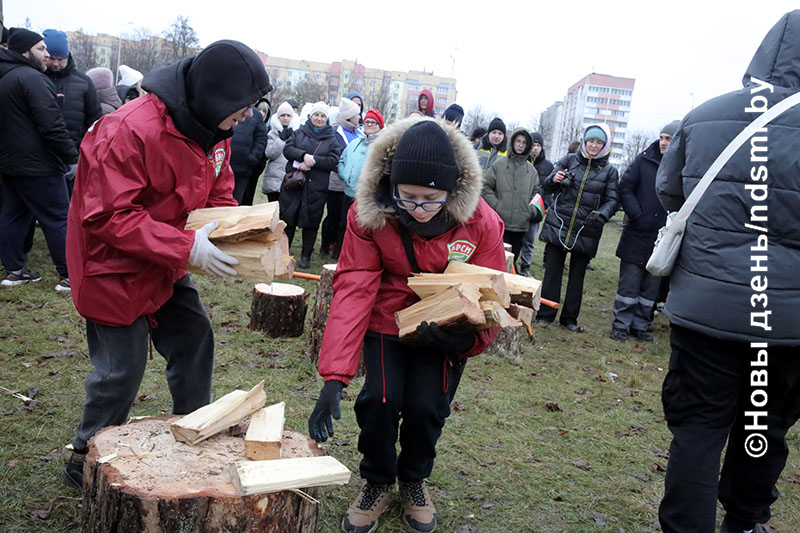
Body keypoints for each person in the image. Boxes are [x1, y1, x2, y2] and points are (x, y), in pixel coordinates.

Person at [61, 39, 271, 489]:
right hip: (112, 268)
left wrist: (234, 234)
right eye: (244, 106)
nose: (249, 116)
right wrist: (187, 248)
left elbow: (217, 194)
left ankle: (193, 428)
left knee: (194, 337)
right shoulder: (126, 130)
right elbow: (107, 216)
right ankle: (87, 452)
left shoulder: (215, 133)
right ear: (213, 95)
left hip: (167, 261)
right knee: (122, 369)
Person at [307, 118, 506, 533]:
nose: (417, 208)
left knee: (427, 407)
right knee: (379, 400)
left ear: (451, 191)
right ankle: (377, 481)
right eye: (408, 196)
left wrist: (464, 335)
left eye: (430, 199)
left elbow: (490, 297)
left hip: (447, 326)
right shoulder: (370, 215)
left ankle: (414, 479)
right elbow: (354, 288)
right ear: (391, 184)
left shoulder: (481, 223)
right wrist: (334, 378)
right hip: (388, 318)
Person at [655, 11, 800, 533]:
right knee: (765, 426)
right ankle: (745, 521)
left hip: (707, 308)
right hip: (787, 320)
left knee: (697, 429)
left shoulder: (705, 115)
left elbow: (672, 195)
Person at [0, 28, 77, 291]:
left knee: (13, 215)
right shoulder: (32, 79)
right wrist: (71, 156)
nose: (47, 55)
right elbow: (52, 125)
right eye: (41, 49)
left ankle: (14, 270)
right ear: (24, 51)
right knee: (58, 218)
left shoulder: (5, 77)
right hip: (40, 165)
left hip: (10, 163)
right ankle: (70, 276)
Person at [536, 124, 618, 331]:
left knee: (577, 276)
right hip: (559, 224)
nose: (593, 145)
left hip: (586, 228)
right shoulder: (568, 160)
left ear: (605, 145)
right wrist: (555, 178)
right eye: (591, 141)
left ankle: (569, 319)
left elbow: (613, 200)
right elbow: (547, 185)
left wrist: (603, 214)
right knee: (552, 273)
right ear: (584, 141)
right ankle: (545, 313)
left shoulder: (610, 171)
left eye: (599, 142)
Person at [610, 121, 678, 342]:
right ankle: (621, 324)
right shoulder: (643, 160)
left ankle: (641, 324)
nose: (664, 142)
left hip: (663, 237)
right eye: (662, 137)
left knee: (651, 285)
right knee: (629, 283)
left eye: (669, 138)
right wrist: (636, 214)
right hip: (637, 231)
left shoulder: (681, 167)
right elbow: (625, 188)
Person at [280, 101, 341, 269]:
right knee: (288, 219)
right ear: (311, 116)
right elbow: (288, 150)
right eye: (316, 115)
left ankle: (306, 256)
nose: (319, 118)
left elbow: (334, 160)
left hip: (316, 188)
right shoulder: (299, 133)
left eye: (322, 116)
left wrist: (314, 161)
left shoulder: (331, 138)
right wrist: (303, 155)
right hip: (294, 185)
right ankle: (284, 253)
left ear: (326, 119)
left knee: (311, 222)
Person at [43, 29, 102, 195]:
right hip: (42, 156)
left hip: (75, 155)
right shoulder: (36, 78)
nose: (55, 63)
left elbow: (95, 120)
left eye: (60, 59)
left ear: (67, 56)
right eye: (51, 58)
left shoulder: (84, 82)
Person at [481, 128, 541, 268]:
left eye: (524, 142)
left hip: (521, 225)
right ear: (512, 143)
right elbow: (485, 187)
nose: (521, 145)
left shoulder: (531, 171)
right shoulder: (499, 165)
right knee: (496, 259)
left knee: (512, 261)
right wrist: (496, 206)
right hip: (501, 222)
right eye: (518, 141)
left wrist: (530, 210)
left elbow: (536, 193)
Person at [336, 108, 384, 251]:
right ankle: (340, 254)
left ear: (380, 126)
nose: (369, 125)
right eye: (367, 121)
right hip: (350, 192)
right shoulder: (355, 143)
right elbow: (341, 161)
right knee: (344, 224)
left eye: (373, 122)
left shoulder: (383, 146)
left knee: (363, 229)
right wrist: (346, 175)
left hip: (369, 197)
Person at [321, 97, 362, 259]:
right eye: (356, 114)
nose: (359, 117)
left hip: (351, 185)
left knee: (344, 218)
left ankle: (338, 245)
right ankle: (326, 245)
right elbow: (336, 157)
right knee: (333, 215)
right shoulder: (336, 132)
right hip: (336, 183)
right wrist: (346, 172)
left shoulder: (358, 132)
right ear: (349, 116)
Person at [518, 132, 554, 277]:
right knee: (516, 238)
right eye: (533, 145)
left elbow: (549, 189)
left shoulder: (548, 166)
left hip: (537, 209)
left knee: (529, 240)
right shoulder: (521, 162)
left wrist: (544, 205)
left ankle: (525, 267)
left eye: (538, 145)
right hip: (520, 207)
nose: (535, 149)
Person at [229, 106, 268, 205]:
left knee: (236, 203)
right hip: (222, 166)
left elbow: (261, 138)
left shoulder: (256, 115)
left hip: (243, 169)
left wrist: (252, 158)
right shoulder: (229, 107)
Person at [262, 101, 297, 203]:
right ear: (278, 117)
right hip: (274, 178)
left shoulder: (297, 133)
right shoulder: (272, 134)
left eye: (288, 115)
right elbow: (269, 154)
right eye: (282, 115)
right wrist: (281, 140)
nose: (285, 118)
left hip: (290, 179)